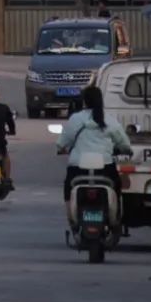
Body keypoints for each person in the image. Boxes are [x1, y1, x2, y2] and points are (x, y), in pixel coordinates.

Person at [58, 85, 131, 220]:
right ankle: (116, 216)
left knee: (68, 187)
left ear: (84, 101)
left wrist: (61, 149)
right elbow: (124, 144)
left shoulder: (75, 119)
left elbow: (62, 143)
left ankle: (71, 218)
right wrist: (125, 150)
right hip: (105, 168)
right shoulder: (110, 120)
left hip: (77, 169)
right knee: (117, 185)